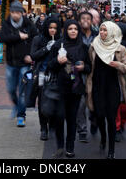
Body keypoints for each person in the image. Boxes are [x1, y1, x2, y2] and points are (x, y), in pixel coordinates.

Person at [86, 21, 126, 159]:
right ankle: (103, 137)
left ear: (112, 32)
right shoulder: (94, 46)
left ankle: (111, 150)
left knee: (111, 119)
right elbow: (89, 66)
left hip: (112, 88)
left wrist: (119, 65)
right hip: (97, 86)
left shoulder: (120, 48)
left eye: (106, 30)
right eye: (101, 30)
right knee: (99, 116)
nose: (103, 33)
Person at [47, 20, 91, 158]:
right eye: (70, 29)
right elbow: (49, 65)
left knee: (72, 118)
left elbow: (89, 67)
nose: (73, 31)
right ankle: (60, 146)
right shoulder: (57, 45)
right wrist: (57, 62)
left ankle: (70, 147)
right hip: (59, 87)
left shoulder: (83, 47)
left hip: (75, 87)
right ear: (65, 30)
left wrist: (84, 67)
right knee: (59, 117)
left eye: (75, 29)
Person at [0, 0, 37, 127]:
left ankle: (21, 115)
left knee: (23, 91)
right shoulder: (7, 23)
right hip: (11, 62)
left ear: (22, 13)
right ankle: (15, 106)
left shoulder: (28, 24)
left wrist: (31, 55)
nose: (15, 15)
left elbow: (35, 40)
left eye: (18, 12)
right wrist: (18, 36)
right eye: (13, 12)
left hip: (24, 64)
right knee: (10, 89)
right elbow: (1, 38)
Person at [31, 18, 61, 141]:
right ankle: (43, 128)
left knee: (55, 101)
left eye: (55, 28)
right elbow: (33, 55)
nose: (52, 30)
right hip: (42, 74)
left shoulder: (60, 40)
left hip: (55, 75)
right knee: (42, 102)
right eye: (50, 27)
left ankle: (52, 124)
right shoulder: (38, 39)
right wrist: (46, 48)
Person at [76, 11, 97, 142]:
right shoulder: (75, 36)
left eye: (88, 19)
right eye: (83, 18)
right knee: (81, 103)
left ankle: (94, 120)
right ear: (79, 21)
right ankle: (82, 129)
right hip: (80, 74)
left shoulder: (98, 36)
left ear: (92, 21)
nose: (85, 21)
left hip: (95, 73)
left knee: (95, 100)